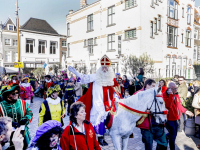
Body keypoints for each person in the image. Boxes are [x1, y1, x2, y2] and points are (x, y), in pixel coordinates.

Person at [68, 55, 122, 146]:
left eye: (106, 67)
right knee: (96, 120)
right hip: (96, 102)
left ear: (109, 68)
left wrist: (116, 98)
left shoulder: (112, 79)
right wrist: (76, 73)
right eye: (103, 67)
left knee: (105, 121)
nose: (104, 69)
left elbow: (116, 91)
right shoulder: (95, 76)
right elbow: (85, 78)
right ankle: (97, 138)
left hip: (108, 103)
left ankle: (101, 137)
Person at [134, 79, 168, 150]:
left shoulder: (156, 92)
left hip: (158, 124)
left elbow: (161, 104)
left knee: (164, 143)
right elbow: (133, 107)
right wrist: (144, 110)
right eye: (153, 86)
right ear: (147, 85)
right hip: (146, 125)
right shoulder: (138, 94)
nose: (154, 87)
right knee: (149, 146)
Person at [0, 84, 33, 149]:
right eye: (13, 93)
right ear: (7, 95)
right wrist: (9, 123)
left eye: (17, 93)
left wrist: (25, 119)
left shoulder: (23, 103)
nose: (16, 94)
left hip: (22, 133)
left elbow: (30, 113)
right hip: (7, 136)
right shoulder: (1, 106)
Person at [163, 82, 194, 150]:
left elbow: (178, 105)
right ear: (170, 88)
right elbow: (168, 106)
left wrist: (185, 111)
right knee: (173, 136)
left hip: (175, 118)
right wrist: (171, 95)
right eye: (174, 89)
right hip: (168, 119)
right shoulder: (165, 95)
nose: (176, 90)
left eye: (176, 88)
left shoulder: (176, 95)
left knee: (173, 134)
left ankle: (166, 137)